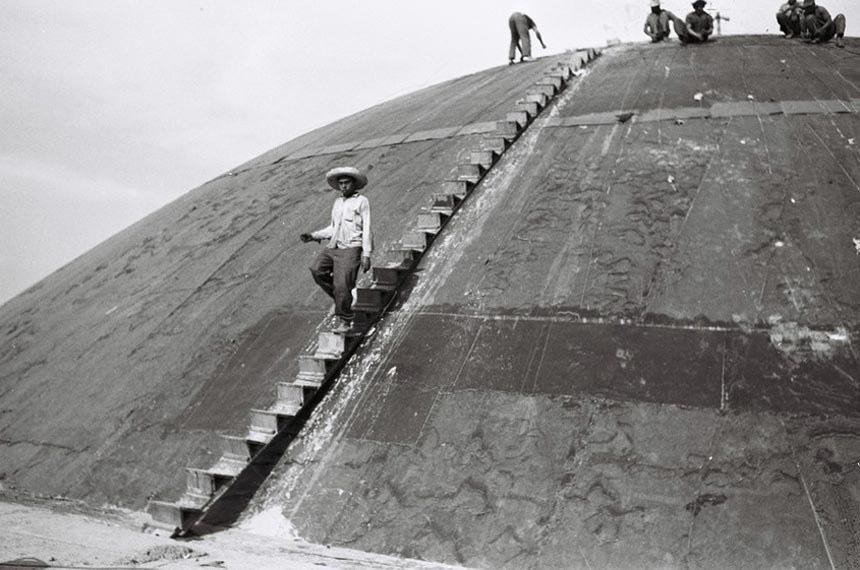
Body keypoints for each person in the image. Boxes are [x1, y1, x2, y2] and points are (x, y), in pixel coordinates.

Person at [301, 167, 372, 333]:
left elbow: (367, 228)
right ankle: (340, 298)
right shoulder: (338, 202)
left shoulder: (362, 201)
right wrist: (313, 235)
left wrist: (366, 254)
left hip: (351, 248)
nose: (344, 186)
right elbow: (333, 228)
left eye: (347, 183)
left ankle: (346, 320)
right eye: (341, 183)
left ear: (354, 184)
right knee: (317, 270)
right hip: (334, 246)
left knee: (342, 285)